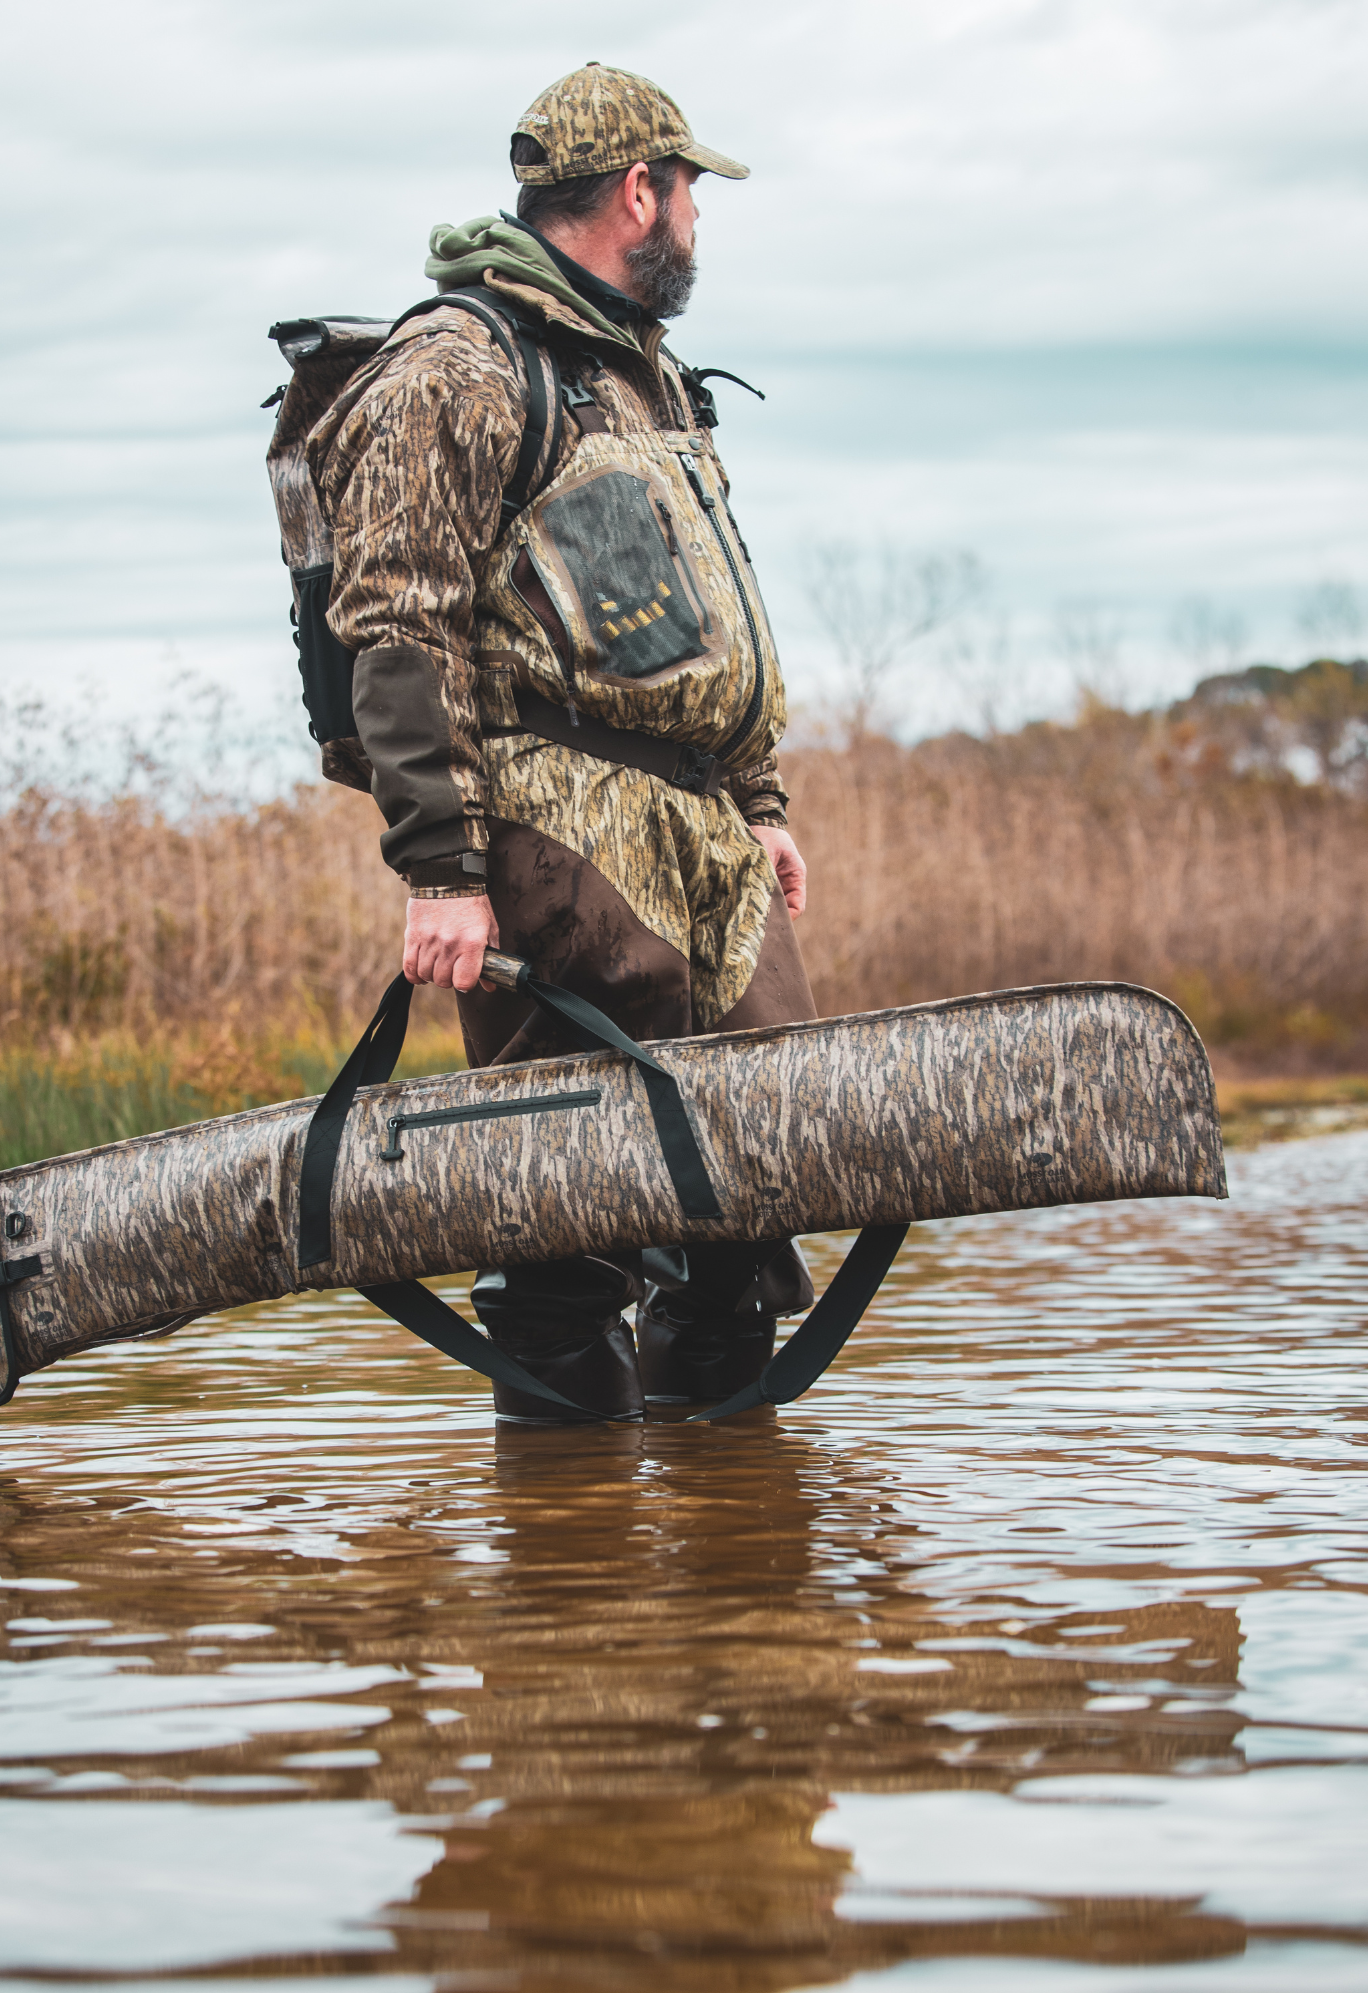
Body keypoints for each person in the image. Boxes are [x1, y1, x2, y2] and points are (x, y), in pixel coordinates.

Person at [309, 61, 816, 1424]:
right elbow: (395, 625)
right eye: (692, 194)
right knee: (561, 1231)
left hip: (704, 841)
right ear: (638, 191)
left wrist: (758, 801)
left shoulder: (643, 381)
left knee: (754, 1204)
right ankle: (560, 1598)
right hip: (556, 847)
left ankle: (729, 1581)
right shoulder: (457, 369)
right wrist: (438, 870)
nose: (699, 225)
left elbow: (694, 611)